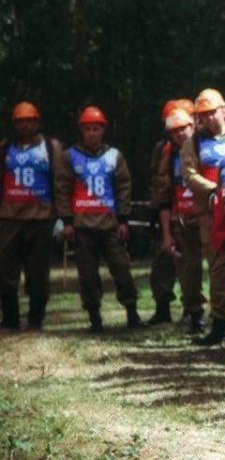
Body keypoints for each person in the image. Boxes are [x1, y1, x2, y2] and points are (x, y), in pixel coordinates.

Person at [54, 106, 142, 331]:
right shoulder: (70, 157)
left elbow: (124, 187)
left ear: (103, 131)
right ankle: (95, 318)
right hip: (82, 225)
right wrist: (67, 222)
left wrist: (123, 219)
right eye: (88, 129)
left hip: (110, 223)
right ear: (82, 131)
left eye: (96, 129)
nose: (92, 133)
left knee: (121, 268)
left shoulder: (114, 156)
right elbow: (62, 189)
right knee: (88, 274)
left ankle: (132, 313)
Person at [181, 88, 225, 346]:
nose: (205, 119)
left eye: (210, 113)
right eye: (200, 115)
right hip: (209, 214)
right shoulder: (192, 143)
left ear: (223, 111)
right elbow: (189, 175)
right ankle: (221, 324)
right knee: (218, 268)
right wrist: (215, 189)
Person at [0, 102, 63, 330]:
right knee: (6, 271)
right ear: (14, 124)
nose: (25, 125)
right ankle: (10, 318)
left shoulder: (51, 147)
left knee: (38, 273)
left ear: (37, 122)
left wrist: (62, 218)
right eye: (21, 121)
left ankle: (36, 319)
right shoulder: (5, 148)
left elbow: (60, 182)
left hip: (41, 217)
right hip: (9, 218)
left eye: (30, 121)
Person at [146, 99, 186, 326]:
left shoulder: (198, 147)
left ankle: (195, 310)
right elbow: (158, 182)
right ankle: (163, 307)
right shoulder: (163, 149)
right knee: (163, 263)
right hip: (167, 210)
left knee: (190, 267)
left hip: (192, 212)